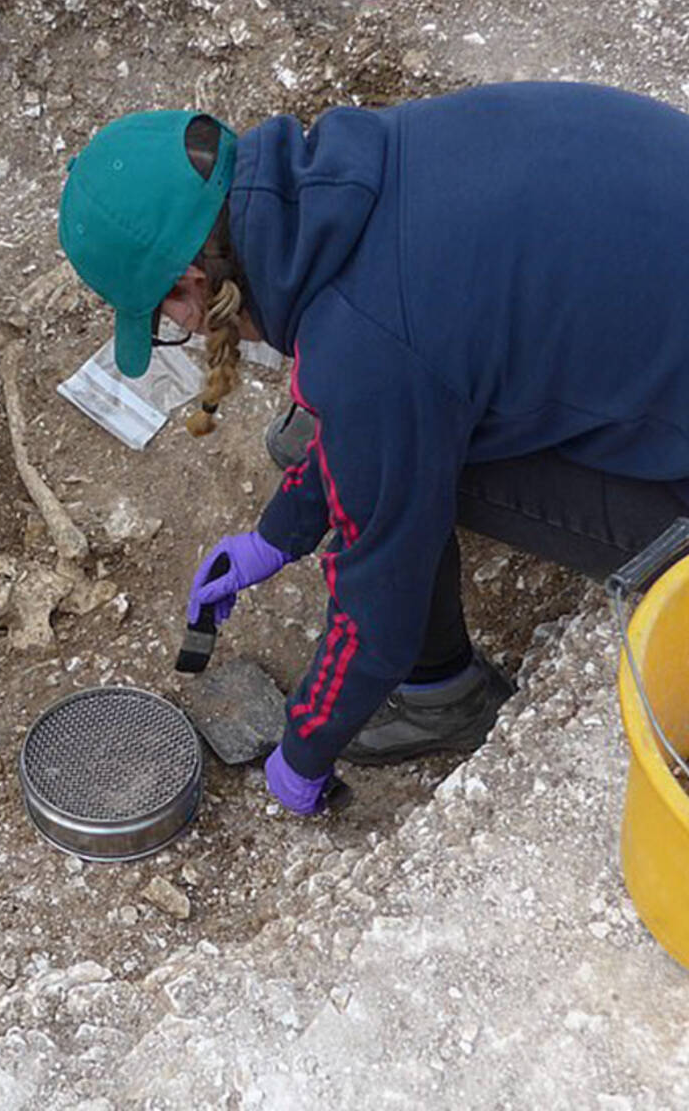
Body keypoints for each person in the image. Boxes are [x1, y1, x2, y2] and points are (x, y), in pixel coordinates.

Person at [57, 84, 689, 814]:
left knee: (389, 462)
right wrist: (275, 537)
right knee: (335, 429)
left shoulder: (375, 348)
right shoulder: (373, 160)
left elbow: (377, 609)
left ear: (190, 288)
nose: (188, 334)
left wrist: (302, 755)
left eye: (170, 322)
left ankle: (439, 697)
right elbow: (397, 376)